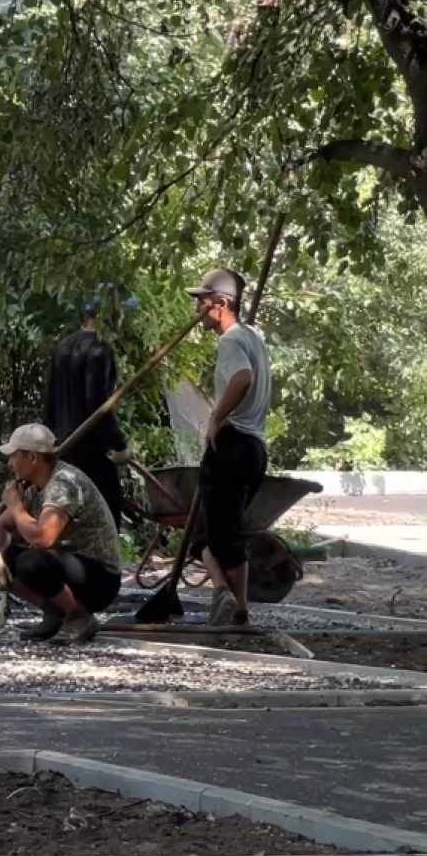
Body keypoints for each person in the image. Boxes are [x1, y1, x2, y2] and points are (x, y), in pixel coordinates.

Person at [0, 422, 124, 646]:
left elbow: (42, 538)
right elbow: (1, 527)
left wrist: (16, 507)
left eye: (14, 456)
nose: (10, 463)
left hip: (99, 578)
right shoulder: (33, 487)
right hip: (66, 568)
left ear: (32, 458)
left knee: (32, 561)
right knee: (2, 556)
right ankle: (55, 613)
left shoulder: (63, 482)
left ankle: (79, 616)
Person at [187, 267, 272, 626]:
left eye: (203, 303)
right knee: (207, 535)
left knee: (223, 536)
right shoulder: (254, 337)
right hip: (254, 448)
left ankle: (237, 609)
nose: (198, 312)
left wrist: (216, 417)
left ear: (221, 304)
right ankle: (226, 596)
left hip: (233, 443)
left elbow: (242, 378)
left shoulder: (232, 340)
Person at [43, 291, 136, 526]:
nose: (122, 319)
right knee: (107, 508)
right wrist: (118, 444)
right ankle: (106, 562)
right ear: (110, 314)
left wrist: (50, 441)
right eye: (120, 313)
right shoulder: (99, 350)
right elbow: (98, 405)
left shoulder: (63, 346)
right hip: (89, 446)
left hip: (62, 445)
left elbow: (50, 401)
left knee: (70, 514)